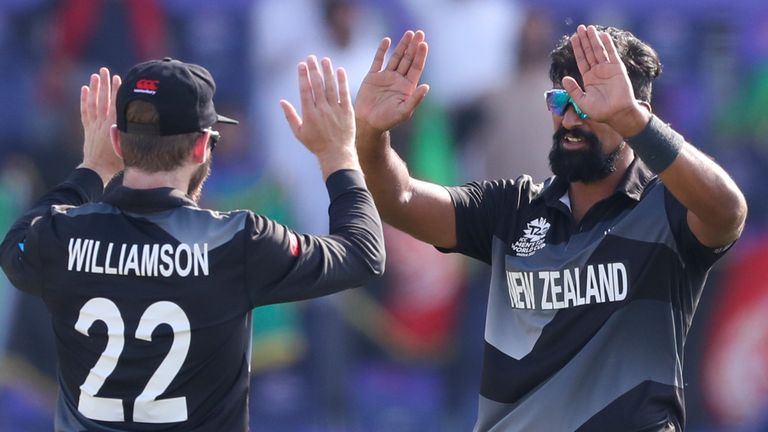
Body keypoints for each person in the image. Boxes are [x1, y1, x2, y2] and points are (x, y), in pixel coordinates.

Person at [353, 26, 747, 431]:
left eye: (592, 105)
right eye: (560, 100)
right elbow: (398, 199)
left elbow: (728, 211)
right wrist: (371, 135)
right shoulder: (512, 208)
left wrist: (639, 125)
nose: (571, 118)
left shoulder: (665, 210)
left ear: (634, 113)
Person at [0, 56, 384, 430]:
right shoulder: (238, 241)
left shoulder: (61, 236)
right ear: (202, 146)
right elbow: (363, 253)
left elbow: (15, 246)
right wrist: (339, 155)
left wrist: (92, 169)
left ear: (117, 141)